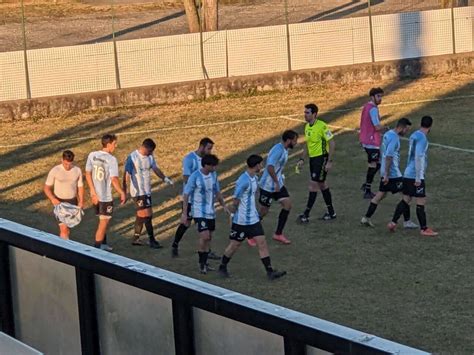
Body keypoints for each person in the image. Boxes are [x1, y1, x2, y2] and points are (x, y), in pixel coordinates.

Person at [218, 155, 287, 280]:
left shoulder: (254, 178)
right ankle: (222, 266)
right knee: (234, 245)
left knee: (262, 243)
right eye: (260, 164)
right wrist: (232, 216)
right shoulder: (243, 181)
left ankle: (270, 271)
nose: (262, 166)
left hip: (253, 220)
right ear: (256, 165)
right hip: (242, 221)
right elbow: (235, 201)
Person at [360, 118, 418, 228]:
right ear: (402, 127)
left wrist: (384, 173)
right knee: (407, 195)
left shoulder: (388, 134)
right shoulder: (395, 138)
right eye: (406, 129)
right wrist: (387, 174)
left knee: (380, 195)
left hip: (384, 171)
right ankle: (405, 221)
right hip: (393, 174)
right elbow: (389, 156)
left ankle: (366, 218)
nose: (406, 132)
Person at [388, 116, 438, 236]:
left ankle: (393, 222)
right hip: (415, 174)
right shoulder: (423, 139)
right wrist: (418, 177)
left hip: (407, 173)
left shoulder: (414, 134)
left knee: (406, 199)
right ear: (430, 126)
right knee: (421, 200)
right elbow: (418, 157)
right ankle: (424, 229)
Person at [181, 154, 230, 274]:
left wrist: (224, 205)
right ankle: (201, 264)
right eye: (213, 166)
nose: (215, 168)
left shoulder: (213, 175)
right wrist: (184, 212)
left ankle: (205, 263)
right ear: (207, 165)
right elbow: (186, 194)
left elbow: (217, 191)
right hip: (199, 211)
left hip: (210, 212)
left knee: (209, 238)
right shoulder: (195, 176)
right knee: (205, 237)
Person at [123, 138, 173, 249]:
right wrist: (125, 191)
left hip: (147, 191)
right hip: (138, 192)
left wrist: (165, 178)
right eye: (150, 151)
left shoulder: (150, 157)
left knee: (142, 215)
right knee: (147, 215)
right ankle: (152, 240)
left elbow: (155, 168)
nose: (151, 153)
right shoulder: (133, 157)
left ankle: (136, 238)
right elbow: (126, 174)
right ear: (146, 148)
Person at [171, 137, 216, 258]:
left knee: (207, 227)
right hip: (192, 199)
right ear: (201, 146)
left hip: (204, 202)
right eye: (209, 148)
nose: (210, 151)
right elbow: (186, 178)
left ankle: (207, 251)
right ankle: (175, 245)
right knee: (186, 223)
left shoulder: (208, 161)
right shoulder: (189, 159)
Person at [296, 103, 336, 224]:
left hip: (321, 159)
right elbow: (308, 145)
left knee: (313, 185)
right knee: (322, 185)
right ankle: (331, 212)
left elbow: (332, 143)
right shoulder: (307, 127)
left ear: (314, 114)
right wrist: (302, 159)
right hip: (313, 160)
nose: (305, 115)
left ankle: (306, 214)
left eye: (307, 113)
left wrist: (329, 161)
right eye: (304, 112)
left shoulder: (322, 126)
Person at [85, 134, 126, 251]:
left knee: (103, 220)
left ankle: (103, 244)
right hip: (105, 197)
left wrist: (92, 191)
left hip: (95, 196)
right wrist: (121, 192)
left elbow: (87, 173)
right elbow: (114, 179)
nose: (116, 146)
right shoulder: (111, 159)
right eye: (114, 144)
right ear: (108, 144)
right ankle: (96, 250)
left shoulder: (92, 155)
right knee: (103, 223)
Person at [258, 130, 298, 245]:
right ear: (289, 140)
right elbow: (270, 167)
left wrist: (280, 179)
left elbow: (276, 167)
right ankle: (249, 231)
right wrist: (276, 182)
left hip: (277, 184)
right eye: (295, 140)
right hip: (267, 185)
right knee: (263, 211)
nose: (296, 143)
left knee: (287, 204)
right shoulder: (278, 150)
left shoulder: (285, 149)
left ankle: (278, 234)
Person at [44, 150, 84, 239]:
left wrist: (81, 201)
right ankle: (64, 250)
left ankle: (65, 244)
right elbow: (46, 188)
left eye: (70, 164)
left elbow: (80, 187)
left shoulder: (77, 170)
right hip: (60, 203)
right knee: (64, 229)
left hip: (73, 202)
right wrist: (53, 199)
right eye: (66, 164)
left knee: (67, 229)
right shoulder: (55, 170)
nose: (67, 166)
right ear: (62, 160)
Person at [359, 87, 387, 199]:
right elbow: (377, 126)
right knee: (374, 164)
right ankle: (367, 190)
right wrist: (387, 129)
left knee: (378, 162)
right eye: (378, 96)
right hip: (371, 141)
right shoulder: (373, 109)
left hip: (366, 139)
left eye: (381, 96)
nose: (380, 99)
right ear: (372, 97)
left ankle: (366, 184)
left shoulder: (367, 106)